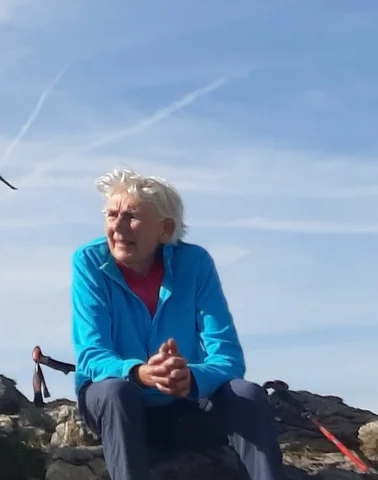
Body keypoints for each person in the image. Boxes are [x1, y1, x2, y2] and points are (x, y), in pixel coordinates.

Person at [69, 168, 284, 480]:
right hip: (118, 405)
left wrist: (189, 376)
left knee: (247, 395)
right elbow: (91, 354)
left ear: (164, 229)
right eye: (111, 214)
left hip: (184, 404)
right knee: (117, 392)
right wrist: (140, 373)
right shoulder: (89, 261)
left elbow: (228, 357)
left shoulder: (194, 263)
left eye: (131, 216)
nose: (116, 226)